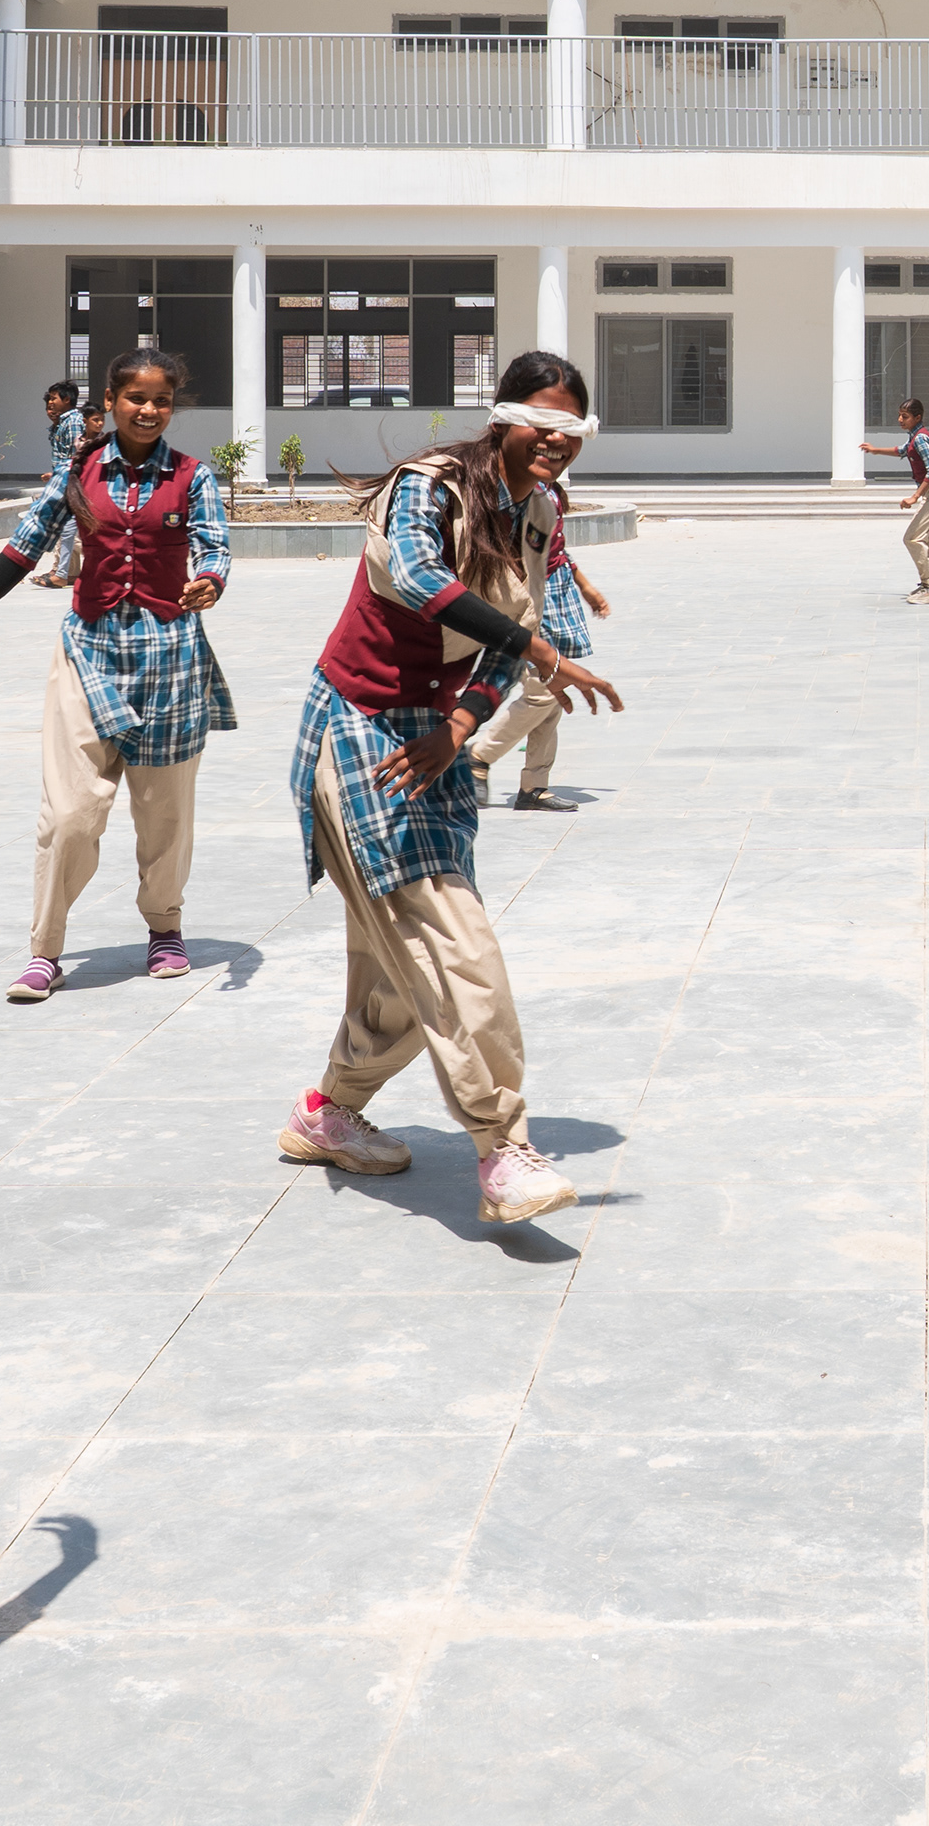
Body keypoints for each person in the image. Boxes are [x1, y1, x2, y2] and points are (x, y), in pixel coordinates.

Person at [277, 354, 622, 1225]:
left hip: (432, 739)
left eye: (572, 428)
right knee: (451, 942)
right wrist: (539, 652)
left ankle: (327, 1112)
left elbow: (509, 636)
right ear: (501, 417)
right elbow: (418, 578)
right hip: (360, 728)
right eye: (540, 420)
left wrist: (462, 727)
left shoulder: (539, 513)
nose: (555, 440)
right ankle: (502, 1148)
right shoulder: (427, 487)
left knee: (398, 967)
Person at [0, 348, 233, 1004]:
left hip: (170, 660)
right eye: (135, 398)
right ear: (110, 403)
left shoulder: (193, 477)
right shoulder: (79, 472)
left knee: (165, 811)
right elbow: (26, 545)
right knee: (69, 814)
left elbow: (214, 546)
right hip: (88, 653)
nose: (149, 410)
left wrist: (209, 580)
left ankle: (165, 926)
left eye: (161, 401)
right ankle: (46, 950)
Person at [468, 453, 611, 812]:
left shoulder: (546, 492)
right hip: (533, 599)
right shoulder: (518, 494)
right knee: (544, 691)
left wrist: (585, 586)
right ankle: (479, 755)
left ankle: (534, 786)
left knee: (552, 695)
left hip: (556, 593)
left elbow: (555, 549)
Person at [863, 398, 929, 602]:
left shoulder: (921, 438)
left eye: (905, 416)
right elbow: (902, 451)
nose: (900, 419)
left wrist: (914, 497)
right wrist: (875, 450)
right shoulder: (914, 437)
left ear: (917, 417)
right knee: (927, 539)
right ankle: (928, 584)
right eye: (900, 415)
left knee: (912, 538)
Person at [40, 380, 89, 589]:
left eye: (54, 398)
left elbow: (77, 455)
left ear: (67, 399)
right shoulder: (61, 423)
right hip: (65, 480)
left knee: (68, 528)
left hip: (72, 481)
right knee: (67, 527)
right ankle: (69, 571)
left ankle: (63, 570)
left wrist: (60, 474)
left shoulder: (73, 422)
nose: (51, 403)